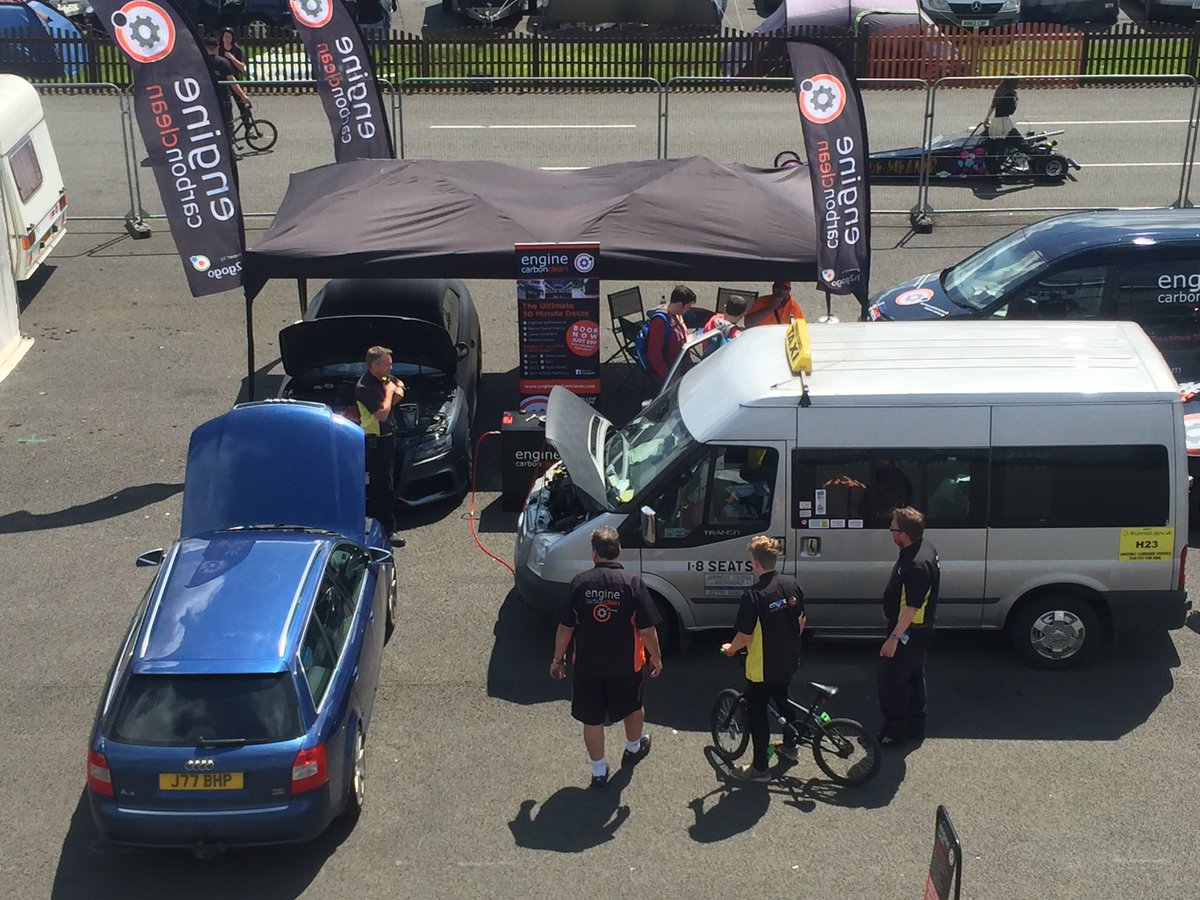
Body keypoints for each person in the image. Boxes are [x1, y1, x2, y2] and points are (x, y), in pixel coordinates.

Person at [551, 526, 663, 791]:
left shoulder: (580, 583)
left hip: (588, 664)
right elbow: (647, 629)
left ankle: (599, 771)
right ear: (618, 551)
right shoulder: (632, 583)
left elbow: (565, 627)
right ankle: (633, 748)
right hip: (627, 664)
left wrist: (558, 659)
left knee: (592, 719)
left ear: (593, 554)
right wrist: (656, 657)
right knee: (633, 707)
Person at [721, 535, 806, 782]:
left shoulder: (754, 595)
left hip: (762, 668)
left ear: (754, 564)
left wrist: (731, 649)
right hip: (789, 660)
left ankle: (760, 768)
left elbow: (744, 636)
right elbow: (801, 622)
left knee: (757, 715)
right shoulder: (791, 585)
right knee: (783, 699)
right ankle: (790, 747)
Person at [878, 506, 940, 747]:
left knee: (893, 681)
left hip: (909, 631)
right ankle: (916, 726)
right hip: (916, 631)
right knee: (914, 678)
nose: (890, 532)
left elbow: (912, 607)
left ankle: (894, 732)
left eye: (892, 528)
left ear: (903, 534)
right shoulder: (923, 548)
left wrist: (894, 637)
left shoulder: (917, 564)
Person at [355, 345, 406, 547]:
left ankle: (386, 522)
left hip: (388, 437)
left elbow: (400, 387)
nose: (390, 368)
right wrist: (389, 394)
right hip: (374, 441)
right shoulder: (365, 387)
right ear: (374, 365)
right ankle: (385, 530)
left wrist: (393, 392)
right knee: (381, 486)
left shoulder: (384, 379)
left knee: (389, 482)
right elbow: (381, 414)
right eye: (387, 364)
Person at [644, 285, 696, 396]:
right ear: (679, 305)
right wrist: (666, 376)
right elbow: (654, 354)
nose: (688, 310)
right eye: (687, 307)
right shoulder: (660, 322)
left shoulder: (676, 315)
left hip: (678, 367)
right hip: (670, 374)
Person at [205, 35, 250, 135]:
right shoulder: (222, 62)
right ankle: (230, 145)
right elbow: (232, 81)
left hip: (208, 98)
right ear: (217, 48)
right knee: (228, 123)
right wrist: (242, 95)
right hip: (224, 96)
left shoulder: (202, 63)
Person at [218, 28, 252, 122]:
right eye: (225, 37)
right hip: (223, 80)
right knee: (226, 104)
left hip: (235, 79)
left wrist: (232, 58)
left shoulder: (237, 50)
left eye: (229, 37)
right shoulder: (219, 49)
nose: (227, 39)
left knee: (241, 103)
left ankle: (248, 126)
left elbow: (242, 67)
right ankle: (228, 126)